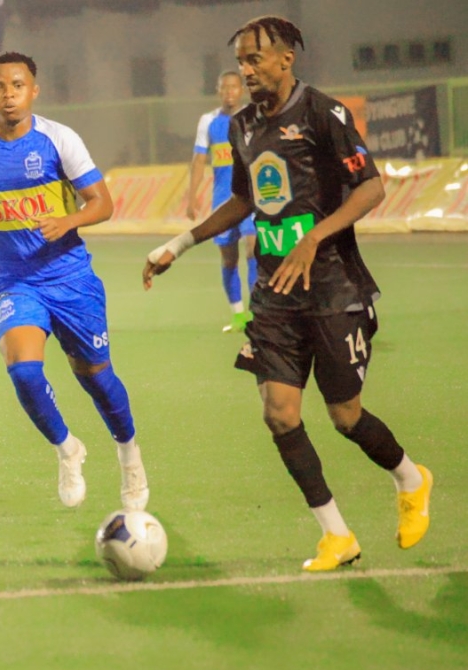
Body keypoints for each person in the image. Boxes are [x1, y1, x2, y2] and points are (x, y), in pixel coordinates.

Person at [143, 16, 432, 572]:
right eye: (240, 61)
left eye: (255, 59)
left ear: (285, 60)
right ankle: (336, 535)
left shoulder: (324, 113)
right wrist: (177, 245)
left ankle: (411, 479)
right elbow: (244, 200)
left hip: (332, 288)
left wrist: (315, 237)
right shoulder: (241, 126)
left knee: (346, 417)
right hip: (274, 294)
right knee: (279, 413)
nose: (245, 70)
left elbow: (371, 185)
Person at [0, 51, 149, 512]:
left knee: (97, 379)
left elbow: (104, 202)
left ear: (33, 90)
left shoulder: (59, 140)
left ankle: (129, 455)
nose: (8, 95)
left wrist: (69, 220)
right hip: (15, 281)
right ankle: (67, 448)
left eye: (17, 85)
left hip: (71, 278)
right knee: (23, 370)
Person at [184, 70, 258, 333]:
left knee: (253, 249)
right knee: (228, 259)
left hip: (249, 199)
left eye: (234, 87)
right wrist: (191, 197)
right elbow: (199, 160)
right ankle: (238, 315)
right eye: (224, 88)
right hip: (222, 200)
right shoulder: (209, 122)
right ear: (219, 91)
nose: (229, 92)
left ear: (242, 90)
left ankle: (256, 313)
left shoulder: (254, 115)